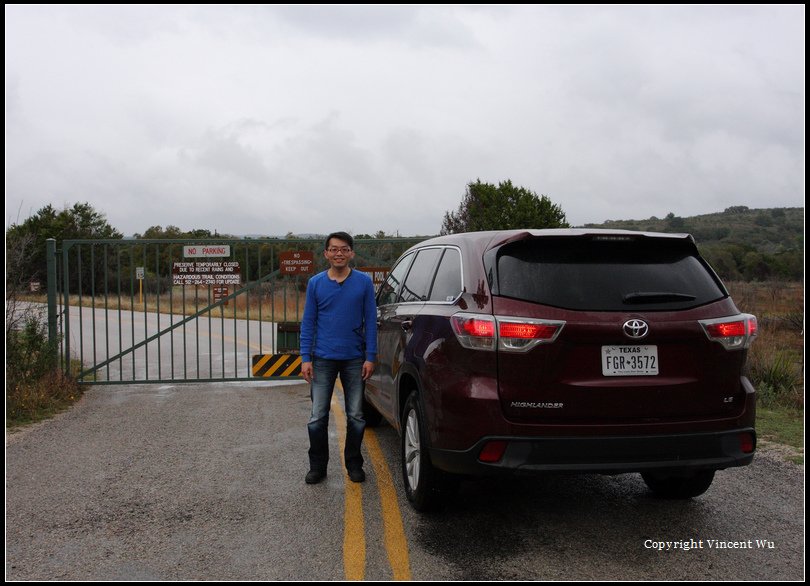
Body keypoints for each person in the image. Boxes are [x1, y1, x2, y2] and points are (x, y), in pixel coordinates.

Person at [300, 232, 377, 485]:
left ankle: (354, 464)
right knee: (317, 417)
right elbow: (308, 322)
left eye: (344, 249)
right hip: (322, 358)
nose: (339, 253)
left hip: (355, 358)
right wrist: (305, 357)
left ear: (351, 253)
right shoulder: (316, 283)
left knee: (356, 415)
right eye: (334, 249)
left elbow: (371, 322)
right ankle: (317, 467)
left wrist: (370, 356)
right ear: (326, 253)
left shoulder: (364, 283)